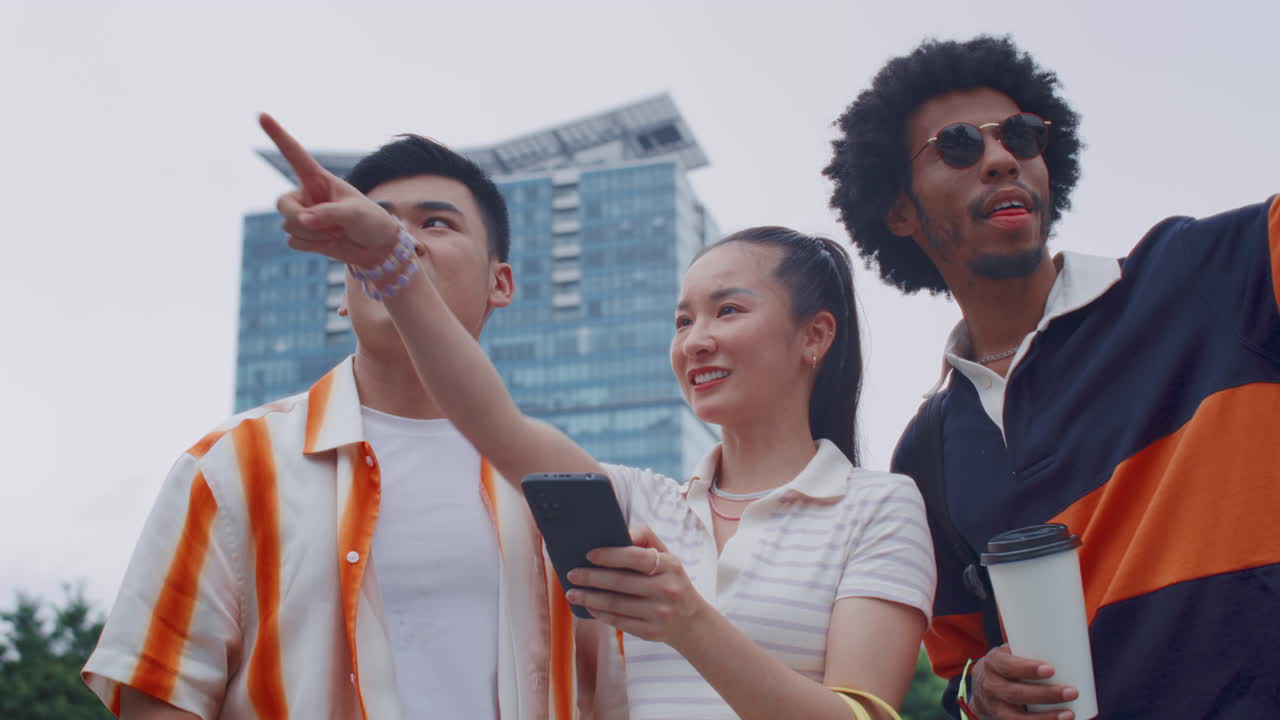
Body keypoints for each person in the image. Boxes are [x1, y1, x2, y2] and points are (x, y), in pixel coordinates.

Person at [264, 116, 937, 719]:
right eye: (682, 319)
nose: (695, 340)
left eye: (728, 311)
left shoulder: (878, 507)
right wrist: (392, 265)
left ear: (815, 336)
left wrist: (691, 625)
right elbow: (490, 419)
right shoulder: (643, 505)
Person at [81, 115, 604, 720]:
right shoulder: (232, 464)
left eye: (436, 222)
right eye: (379, 227)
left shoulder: (563, 488)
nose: (399, 242)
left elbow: (614, 688)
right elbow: (159, 692)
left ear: (501, 283)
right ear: (344, 280)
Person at [823, 34, 1280, 720]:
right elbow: (959, 671)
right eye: (957, 146)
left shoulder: (1219, 270)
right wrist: (980, 691)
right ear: (900, 210)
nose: (1002, 157)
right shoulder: (925, 454)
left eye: (1022, 135)